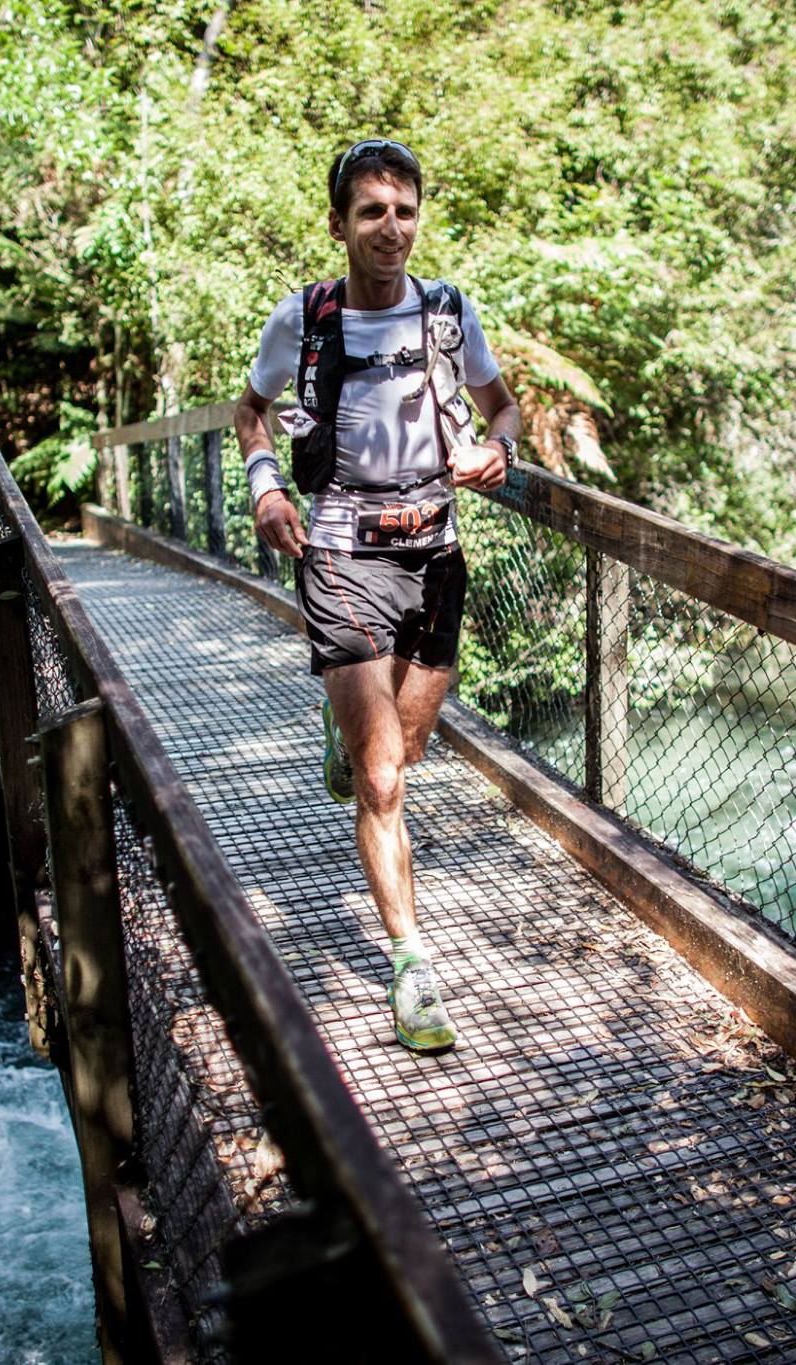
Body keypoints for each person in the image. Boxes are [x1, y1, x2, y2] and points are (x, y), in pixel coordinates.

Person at [233, 138, 521, 1055]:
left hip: (435, 552)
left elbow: (504, 407)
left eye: (404, 211)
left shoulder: (448, 315)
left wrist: (499, 450)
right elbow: (249, 411)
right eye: (371, 212)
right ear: (340, 225)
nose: (390, 229)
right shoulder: (305, 319)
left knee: (410, 746)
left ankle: (348, 735)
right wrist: (266, 487)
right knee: (384, 774)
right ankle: (410, 964)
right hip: (340, 550)